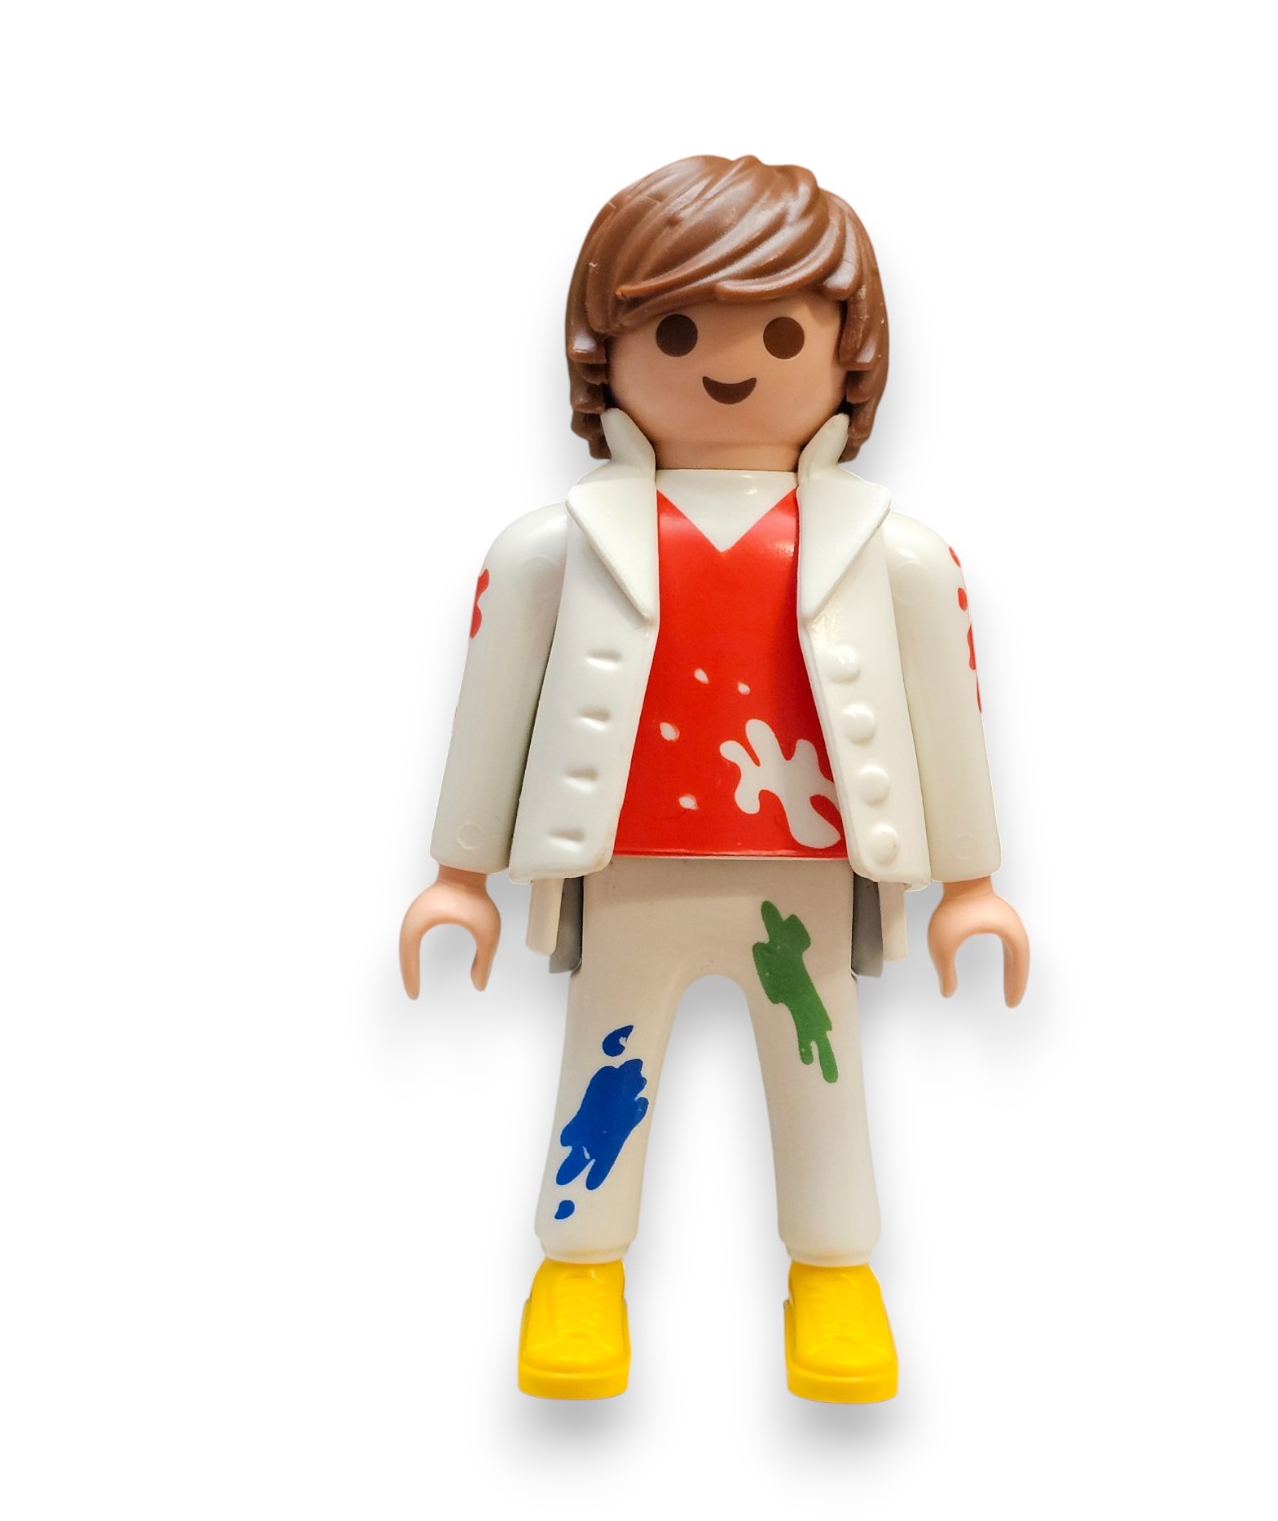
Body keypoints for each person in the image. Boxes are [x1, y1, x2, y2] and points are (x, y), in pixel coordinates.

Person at [400, 155, 1029, 1402]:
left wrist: (971, 883)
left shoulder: (895, 554)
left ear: (849, 355)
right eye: (677, 331)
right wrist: (458, 873)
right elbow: (493, 703)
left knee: (818, 1068)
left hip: (805, 874)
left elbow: (947, 715)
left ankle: (835, 1271)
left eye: (784, 332)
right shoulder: (554, 547)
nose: (730, 364)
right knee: (606, 1067)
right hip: (623, 863)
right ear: (606, 351)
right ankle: (579, 1267)